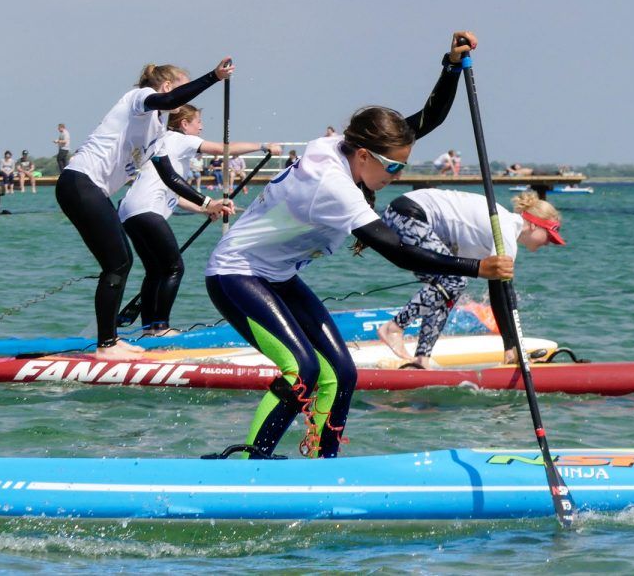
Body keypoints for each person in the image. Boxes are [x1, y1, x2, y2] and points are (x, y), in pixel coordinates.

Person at [204, 31, 512, 461]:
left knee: (342, 373)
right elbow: (397, 250)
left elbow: (426, 120)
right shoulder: (331, 185)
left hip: (276, 276)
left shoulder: (350, 150)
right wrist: (477, 268)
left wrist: (450, 66)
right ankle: (248, 464)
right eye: (392, 167)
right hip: (235, 275)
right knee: (302, 372)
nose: (397, 176)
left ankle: (321, 464)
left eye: (403, 166)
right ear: (364, 155)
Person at [55, 58, 237, 360]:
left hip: (90, 190)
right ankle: (106, 346)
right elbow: (168, 100)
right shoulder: (138, 99)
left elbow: (169, 176)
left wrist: (207, 204)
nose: (184, 98)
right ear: (166, 86)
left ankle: (109, 340)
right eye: (181, 88)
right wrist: (214, 77)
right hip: (79, 183)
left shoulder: (156, 130)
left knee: (120, 261)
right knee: (117, 263)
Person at [119, 104, 281, 336]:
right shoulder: (179, 139)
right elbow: (224, 149)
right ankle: (161, 328)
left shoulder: (165, 143)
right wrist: (263, 146)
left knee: (156, 271)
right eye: (198, 122)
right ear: (185, 124)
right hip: (146, 210)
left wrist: (205, 209)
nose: (202, 126)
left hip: (129, 212)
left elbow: (174, 195)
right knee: (174, 268)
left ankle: (149, 330)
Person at [376, 189, 565, 369]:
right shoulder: (506, 230)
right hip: (407, 214)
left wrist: (510, 343)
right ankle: (394, 328)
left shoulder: (503, 230)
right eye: (549, 235)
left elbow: (499, 293)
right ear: (533, 224)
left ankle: (421, 359)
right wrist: (510, 347)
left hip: (401, 215)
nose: (549, 243)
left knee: (447, 290)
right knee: (454, 282)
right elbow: (501, 296)